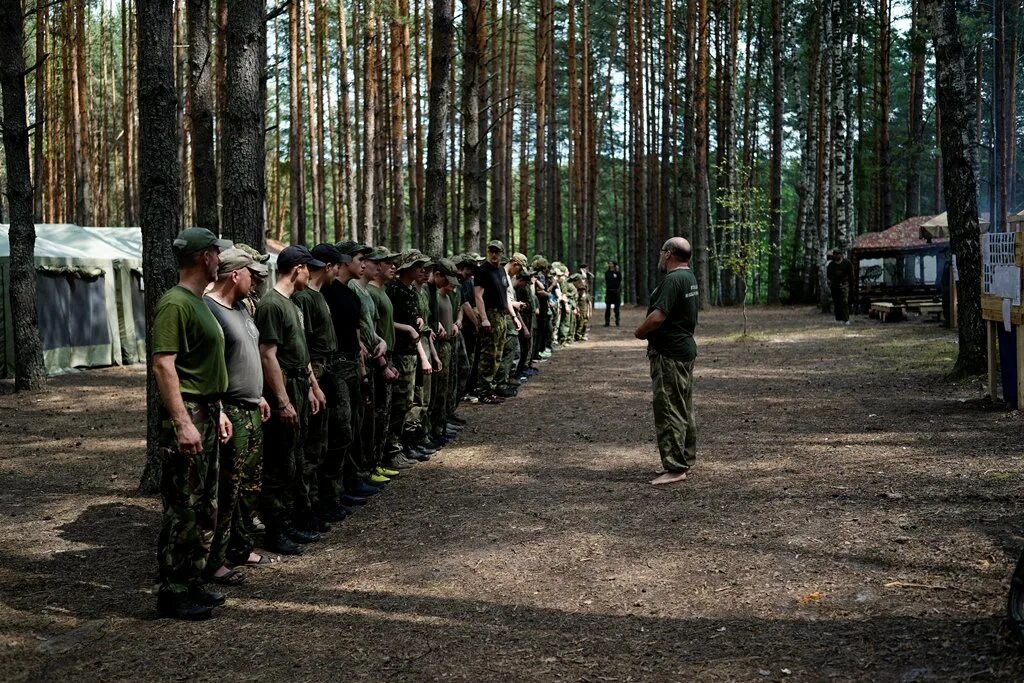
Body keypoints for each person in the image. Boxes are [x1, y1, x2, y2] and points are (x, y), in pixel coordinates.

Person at [151, 227, 233, 620]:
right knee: (183, 506)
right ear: (206, 257)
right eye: (218, 254)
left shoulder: (198, 302)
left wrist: (219, 413)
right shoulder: (176, 303)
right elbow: (163, 365)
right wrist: (184, 423)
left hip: (208, 409)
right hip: (190, 412)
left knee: (205, 506)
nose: (220, 260)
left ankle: (193, 578)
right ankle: (172, 590)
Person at [203, 248, 272, 588]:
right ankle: (214, 560)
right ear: (235, 274)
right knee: (226, 490)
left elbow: (247, 355)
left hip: (250, 408)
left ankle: (241, 549)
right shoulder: (210, 310)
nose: (256, 281)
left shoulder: (243, 308)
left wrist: (258, 394)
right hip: (229, 411)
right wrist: (216, 410)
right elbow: (208, 368)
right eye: (251, 274)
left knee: (249, 487)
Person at [255, 245, 326, 555]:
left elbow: (301, 353)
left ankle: (289, 520)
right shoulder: (272, 304)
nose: (310, 274)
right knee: (280, 463)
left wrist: (312, 386)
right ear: (298, 269)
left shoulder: (292, 305)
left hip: (299, 385)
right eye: (307, 268)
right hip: (283, 389)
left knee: (295, 459)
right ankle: (274, 529)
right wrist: (283, 401)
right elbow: (267, 355)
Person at [634, 237, 700, 487]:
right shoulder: (689, 277)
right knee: (683, 406)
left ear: (669, 254)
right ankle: (685, 458)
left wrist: (639, 332)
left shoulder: (673, 280)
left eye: (662, 251)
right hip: (683, 349)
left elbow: (657, 317)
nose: (660, 256)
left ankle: (675, 466)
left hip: (670, 353)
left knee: (669, 408)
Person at [292, 244, 345, 529]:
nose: (338, 271)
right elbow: (304, 346)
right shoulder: (305, 300)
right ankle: (306, 507)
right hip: (314, 373)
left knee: (323, 443)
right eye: (337, 266)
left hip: (325, 371)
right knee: (311, 448)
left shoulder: (318, 296)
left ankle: (320, 501)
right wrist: (313, 383)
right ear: (329, 267)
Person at [474, 241, 521, 404]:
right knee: (489, 354)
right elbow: (478, 296)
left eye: (497, 252)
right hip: (490, 315)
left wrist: (513, 316)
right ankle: (483, 391)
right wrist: (484, 318)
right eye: (491, 251)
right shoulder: (482, 271)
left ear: (502, 253)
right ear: (488, 252)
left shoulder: (501, 270)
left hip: (502, 316)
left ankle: (491, 389)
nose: (494, 255)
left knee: (498, 354)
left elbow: (505, 297)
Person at [826, 248, 855, 324]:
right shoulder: (831, 265)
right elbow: (829, 275)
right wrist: (831, 282)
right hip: (834, 285)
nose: (835, 256)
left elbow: (851, 274)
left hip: (845, 284)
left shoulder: (847, 263)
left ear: (841, 255)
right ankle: (838, 319)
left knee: (844, 301)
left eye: (837, 254)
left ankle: (846, 319)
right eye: (834, 254)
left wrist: (850, 284)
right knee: (836, 302)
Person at [604, 260, 622, 327]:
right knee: (607, 308)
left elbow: (620, 280)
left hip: (616, 291)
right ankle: (607, 322)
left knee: (616, 308)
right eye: (609, 263)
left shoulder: (617, 273)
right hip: (609, 291)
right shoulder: (607, 273)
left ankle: (617, 322)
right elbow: (606, 281)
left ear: (614, 264)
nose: (609, 264)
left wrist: (617, 271)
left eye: (611, 263)